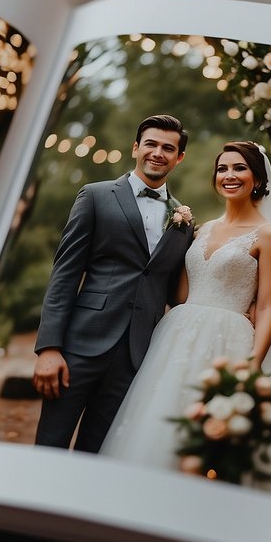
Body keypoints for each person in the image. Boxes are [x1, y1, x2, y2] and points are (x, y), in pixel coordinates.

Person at [98, 140, 271, 473]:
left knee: (213, 427)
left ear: (257, 179)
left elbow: (268, 306)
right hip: (177, 334)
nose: (229, 175)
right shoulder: (202, 229)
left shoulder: (267, 235)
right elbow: (181, 294)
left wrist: (250, 367)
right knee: (157, 415)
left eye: (239, 168)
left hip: (228, 341)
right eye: (222, 168)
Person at [32, 115, 196, 453]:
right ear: (136, 147)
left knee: (99, 452)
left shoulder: (183, 220)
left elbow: (174, 291)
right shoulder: (95, 196)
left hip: (137, 356)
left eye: (168, 148)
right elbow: (65, 273)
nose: (157, 153)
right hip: (80, 346)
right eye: (150, 144)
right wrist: (49, 348)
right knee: (50, 445)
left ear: (179, 158)